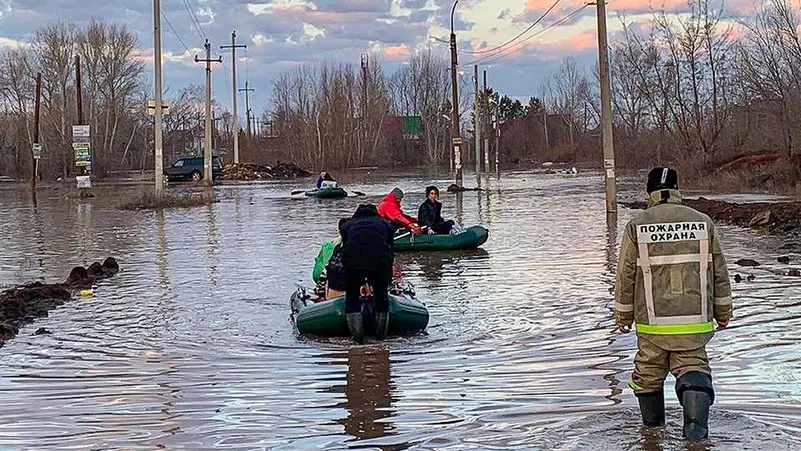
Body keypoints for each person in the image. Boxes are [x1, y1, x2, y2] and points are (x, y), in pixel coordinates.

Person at [614, 167, 732, 441]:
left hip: (653, 325)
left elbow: (625, 275)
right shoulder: (703, 223)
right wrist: (723, 313)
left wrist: (623, 316)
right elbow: (720, 273)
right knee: (695, 371)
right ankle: (696, 439)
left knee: (647, 377)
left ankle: (652, 436)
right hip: (694, 322)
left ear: (649, 192)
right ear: (678, 190)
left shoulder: (637, 225)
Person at [340, 204, 395, 343]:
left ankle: (358, 340)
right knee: (382, 297)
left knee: (352, 297)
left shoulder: (349, 225)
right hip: (380, 262)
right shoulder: (385, 224)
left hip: (354, 263)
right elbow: (390, 246)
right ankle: (380, 339)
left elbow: (345, 246)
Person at [312, 218, 348, 301]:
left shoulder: (334, 249)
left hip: (332, 297)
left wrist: (320, 292)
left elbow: (321, 275)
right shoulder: (359, 252)